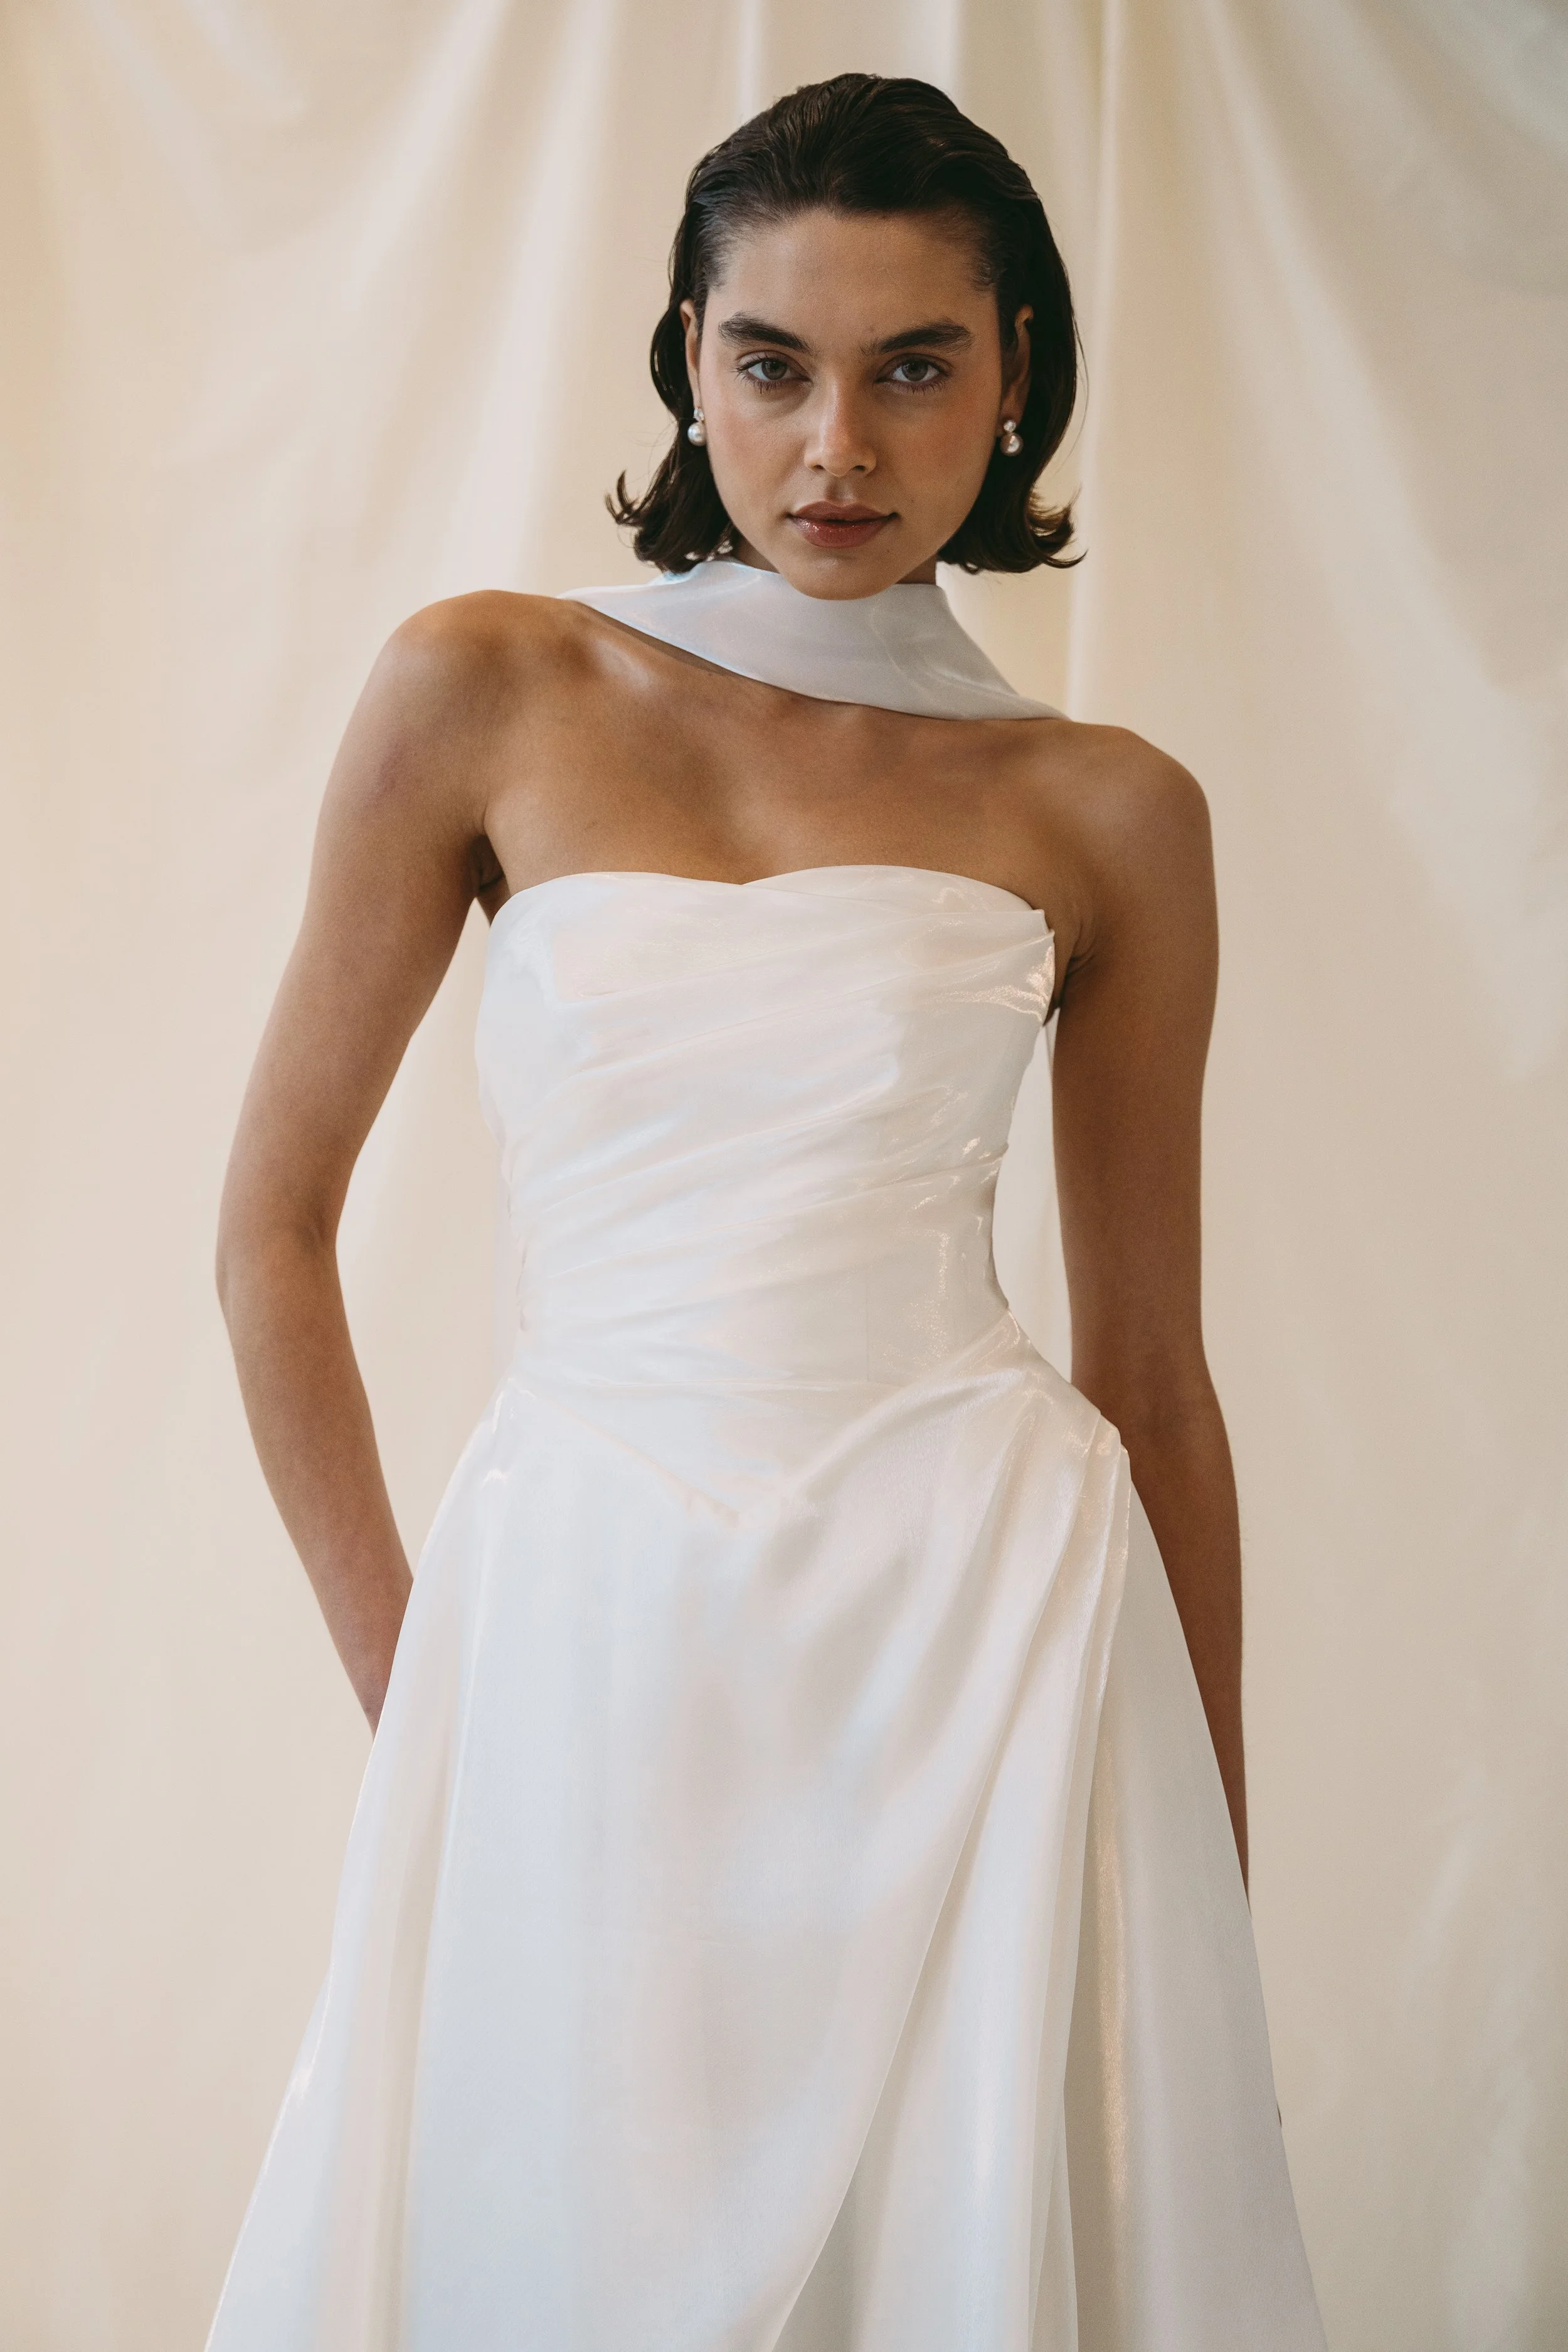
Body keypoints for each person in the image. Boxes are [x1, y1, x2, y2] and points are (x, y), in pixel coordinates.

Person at [206, 72, 1325, 2352]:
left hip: (986, 1615)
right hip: (588, 1607)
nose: (836, 445)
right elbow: (273, 1232)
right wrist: (421, 1678)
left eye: (914, 365)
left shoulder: (1107, 809)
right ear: (686, 357)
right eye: (772, 363)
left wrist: (1202, 1861)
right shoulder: (488, 684)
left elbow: (1151, 1378)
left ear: (1015, 371)